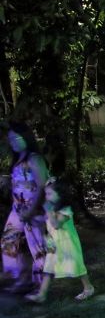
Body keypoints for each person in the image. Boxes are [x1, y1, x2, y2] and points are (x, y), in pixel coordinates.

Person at [24, 177, 94, 303]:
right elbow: (46, 222)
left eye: (50, 194)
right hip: (54, 243)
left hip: (68, 243)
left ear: (60, 195)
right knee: (48, 269)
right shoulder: (52, 209)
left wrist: (49, 211)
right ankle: (42, 294)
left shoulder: (66, 210)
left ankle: (88, 287)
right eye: (46, 194)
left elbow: (56, 225)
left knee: (77, 267)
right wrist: (32, 220)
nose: (47, 197)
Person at [1, 122, 49, 294]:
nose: (12, 142)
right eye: (10, 139)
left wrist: (32, 210)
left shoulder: (35, 158)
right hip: (18, 209)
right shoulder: (18, 159)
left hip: (33, 209)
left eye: (16, 138)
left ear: (26, 138)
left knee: (37, 247)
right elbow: (22, 181)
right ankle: (21, 279)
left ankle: (41, 286)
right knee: (9, 241)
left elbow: (42, 186)